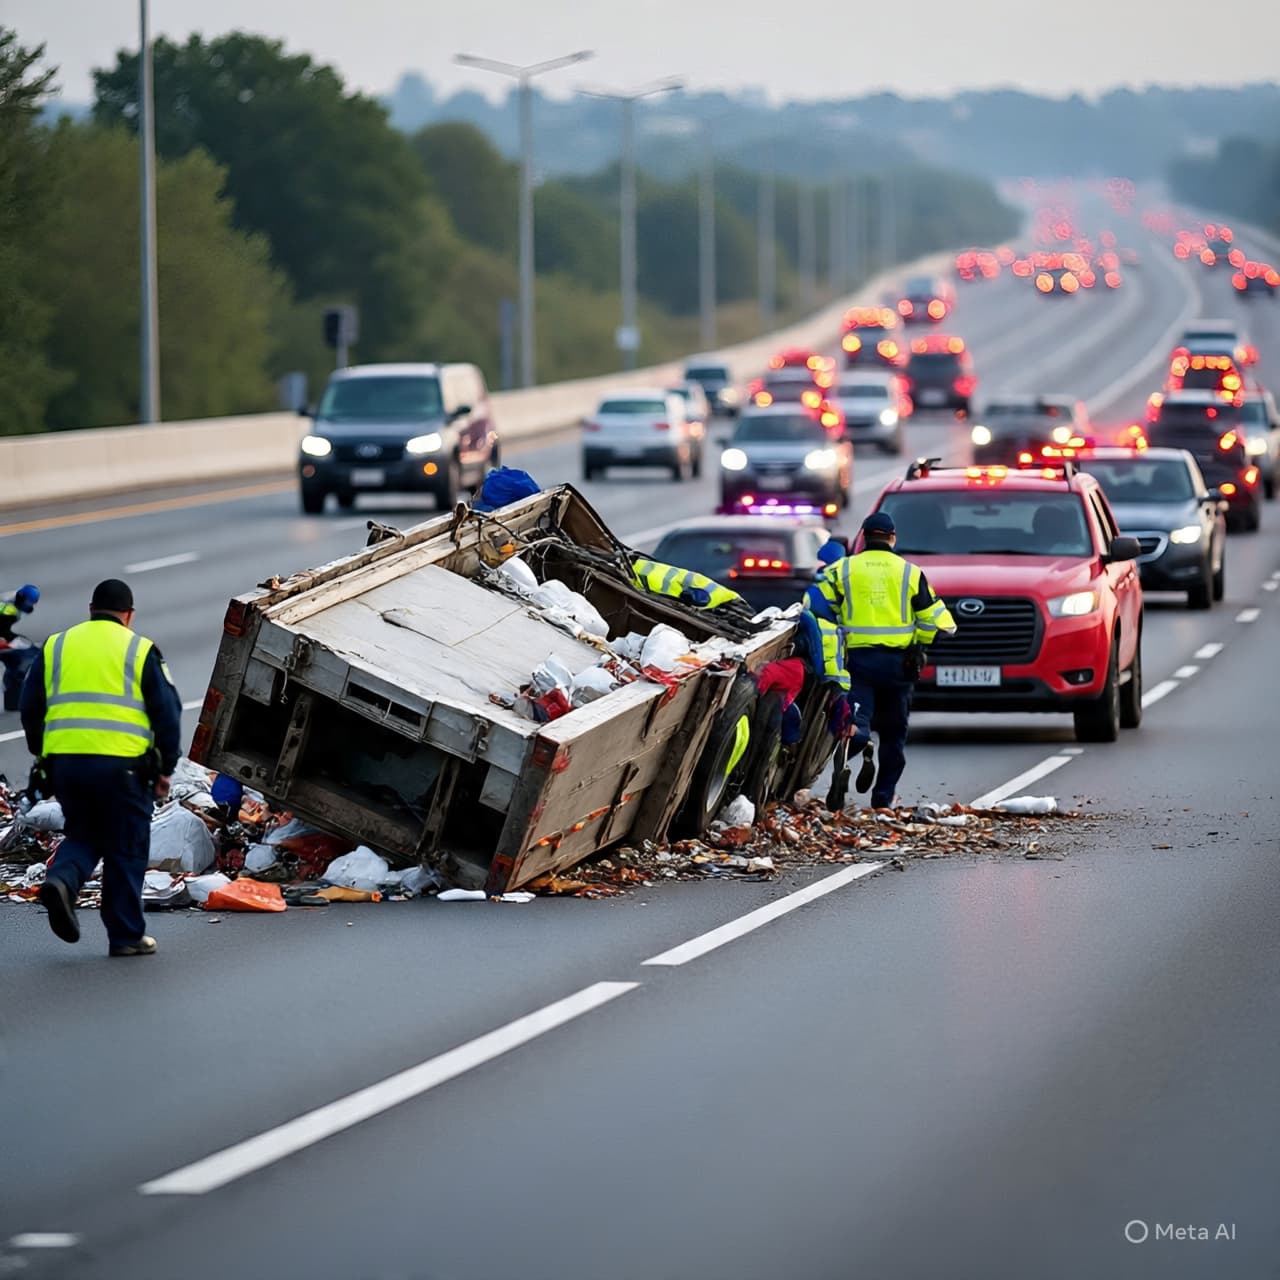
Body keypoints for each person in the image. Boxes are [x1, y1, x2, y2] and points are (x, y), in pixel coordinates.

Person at [20, 579, 182, 957]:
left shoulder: (57, 645)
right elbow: (168, 715)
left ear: (91, 609)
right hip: (122, 768)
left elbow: (30, 707)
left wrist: (44, 755)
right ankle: (126, 935)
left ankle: (61, 879)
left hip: (67, 766)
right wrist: (165, 768)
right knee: (126, 844)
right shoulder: (139, 649)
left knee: (86, 833)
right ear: (128, 615)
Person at [807, 511, 956, 808]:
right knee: (893, 735)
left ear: (863, 536)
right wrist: (919, 646)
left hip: (857, 663)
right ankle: (883, 797)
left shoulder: (843, 570)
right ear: (892, 537)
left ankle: (857, 741)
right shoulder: (909, 573)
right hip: (898, 666)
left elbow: (816, 607)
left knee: (856, 720)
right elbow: (936, 620)